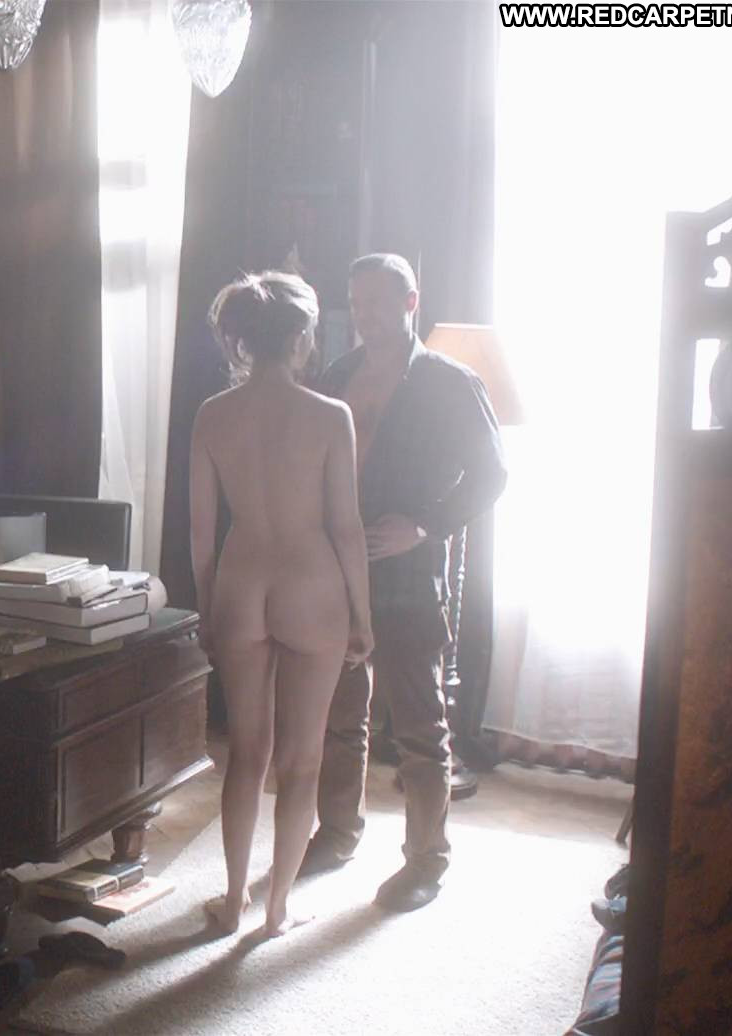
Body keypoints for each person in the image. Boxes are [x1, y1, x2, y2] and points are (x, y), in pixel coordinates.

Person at [301, 253, 507, 912]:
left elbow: (493, 474)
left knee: (419, 725)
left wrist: (424, 526)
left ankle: (426, 861)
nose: (365, 314)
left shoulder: (450, 382)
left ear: (411, 301)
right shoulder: (336, 376)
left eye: (379, 301)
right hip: (336, 569)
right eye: (357, 302)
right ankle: (337, 833)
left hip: (408, 575)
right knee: (340, 715)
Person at [190, 271, 373, 937]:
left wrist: (207, 609)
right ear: (300, 338)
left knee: (246, 753)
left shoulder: (212, 415)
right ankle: (277, 911)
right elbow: (346, 527)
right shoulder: (330, 416)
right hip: (311, 587)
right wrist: (363, 616)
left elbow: (201, 534)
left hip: (241, 584)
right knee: (302, 761)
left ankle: (232, 900)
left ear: (243, 338)